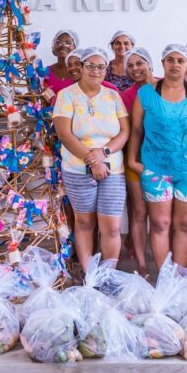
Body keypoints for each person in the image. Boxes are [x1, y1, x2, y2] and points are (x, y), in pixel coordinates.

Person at [128, 44, 187, 269]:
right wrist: (132, 161)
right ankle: (165, 278)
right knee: (160, 224)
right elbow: (136, 130)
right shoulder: (146, 94)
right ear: (163, 63)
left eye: (180, 60)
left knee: (184, 225)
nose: (175, 64)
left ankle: (178, 277)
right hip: (155, 169)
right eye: (170, 60)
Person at [53, 47, 130, 270]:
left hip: (113, 170)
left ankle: (107, 275)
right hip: (77, 169)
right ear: (81, 67)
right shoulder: (66, 95)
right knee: (85, 222)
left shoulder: (112, 95)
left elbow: (124, 131)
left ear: (106, 70)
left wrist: (104, 153)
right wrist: (93, 160)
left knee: (112, 227)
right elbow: (64, 134)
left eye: (101, 67)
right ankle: (90, 276)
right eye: (90, 66)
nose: (96, 71)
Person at [120, 47, 157, 276]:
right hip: (136, 159)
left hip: (163, 160)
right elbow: (130, 131)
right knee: (140, 212)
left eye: (139, 63)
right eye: (130, 65)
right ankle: (142, 264)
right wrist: (133, 160)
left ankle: (167, 259)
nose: (135, 69)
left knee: (162, 215)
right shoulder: (126, 96)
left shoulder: (166, 86)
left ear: (150, 64)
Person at [46, 29, 80, 95]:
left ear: (75, 48)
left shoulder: (80, 71)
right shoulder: (46, 71)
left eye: (68, 43)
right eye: (59, 42)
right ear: (53, 46)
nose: (63, 45)